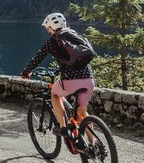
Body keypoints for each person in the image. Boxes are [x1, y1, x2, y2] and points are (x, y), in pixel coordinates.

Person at [20, 12, 96, 145]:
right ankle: (94, 143)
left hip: (70, 80)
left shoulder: (52, 41)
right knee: (81, 111)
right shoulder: (76, 35)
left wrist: (26, 72)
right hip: (89, 80)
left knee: (54, 94)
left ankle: (63, 127)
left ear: (50, 28)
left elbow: (37, 58)